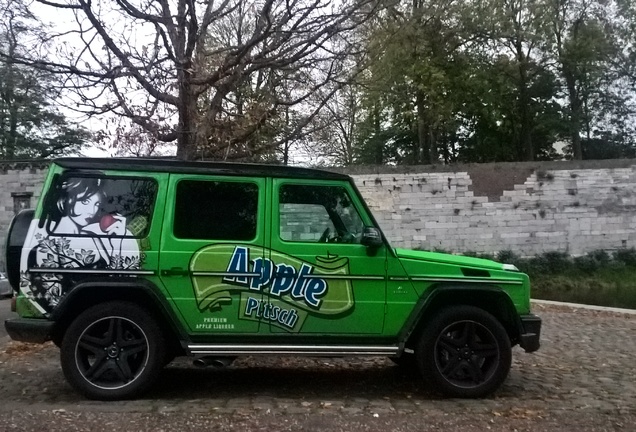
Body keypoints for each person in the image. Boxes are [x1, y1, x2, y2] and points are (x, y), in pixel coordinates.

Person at [30, 176, 141, 308]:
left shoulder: (94, 237)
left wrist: (120, 240)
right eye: (85, 201)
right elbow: (52, 298)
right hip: (76, 312)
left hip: (106, 309)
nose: (92, 211)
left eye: (97, 205)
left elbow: (122, 279)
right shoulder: (48, 247)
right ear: (67, 199)